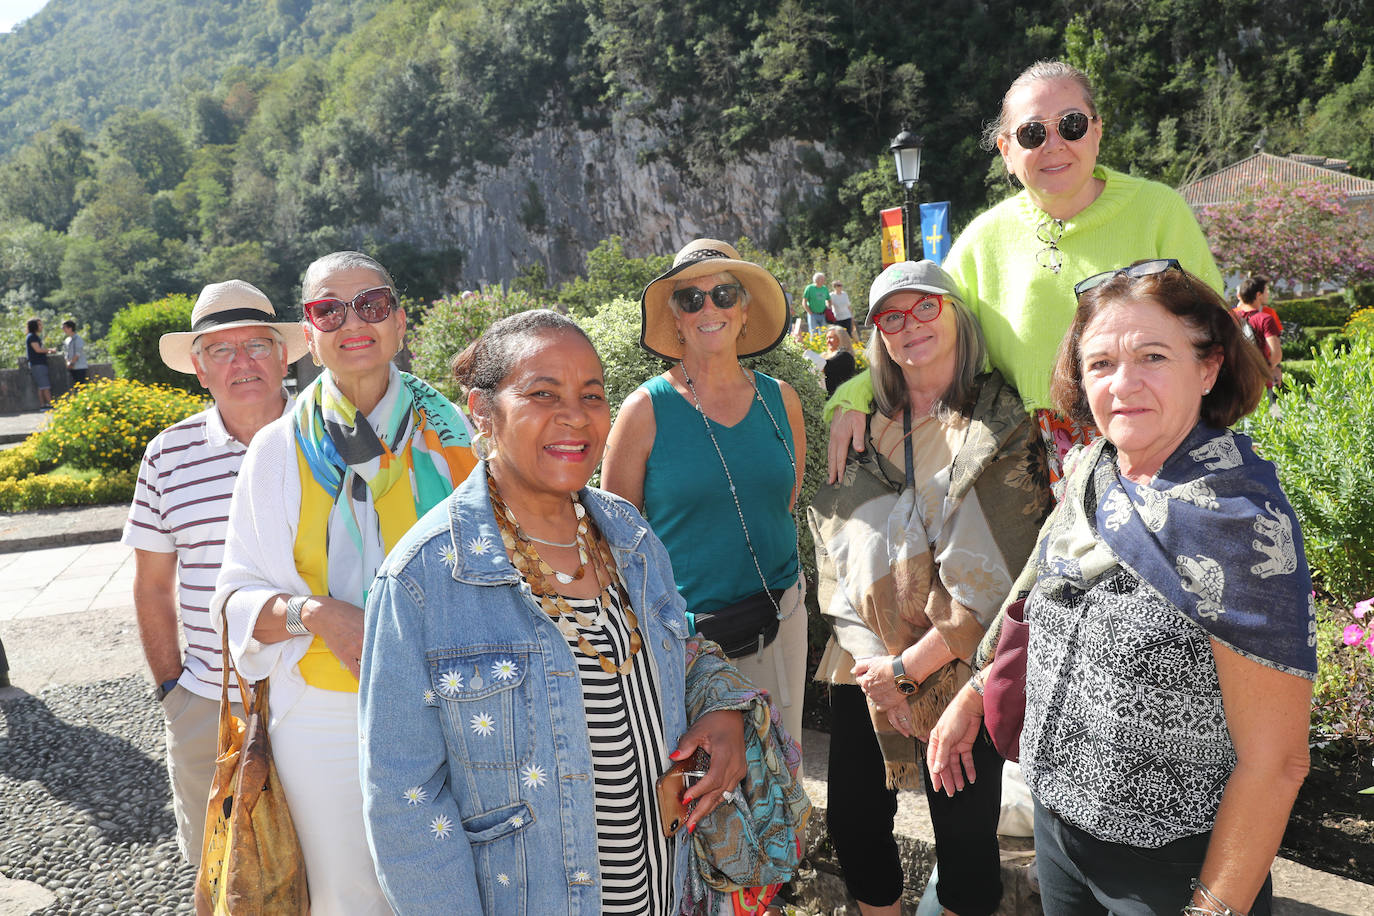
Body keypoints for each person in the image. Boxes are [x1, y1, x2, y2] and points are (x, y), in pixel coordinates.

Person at [360, 309, 802, 915]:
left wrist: (723, 712)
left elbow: (685, 649)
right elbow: (404, 801)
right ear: (481, 413)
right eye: (543, 393)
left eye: (591, 395)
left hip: (670, 892)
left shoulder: (629, 536)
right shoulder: (425, 581)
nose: (575, 415)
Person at [927, 260, 1316, 916]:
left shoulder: (1240, 526)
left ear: (1209, 366)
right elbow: (1038, 582)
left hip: (1168, 867)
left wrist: (1211, 907)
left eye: (1152, 356)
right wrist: (974, 691)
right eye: (1101, 363)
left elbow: (1277, 763)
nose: (1123, 385)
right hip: (1058, 828)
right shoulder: (1095, 467)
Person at [211, 251, 477, 914]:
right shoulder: (277, 450)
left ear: (400, 321)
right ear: (309, 331)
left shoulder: (453, 437)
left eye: (373, 304)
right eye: (329, 308)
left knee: (455, 881)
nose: (353, 321)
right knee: (348, 895)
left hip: (451, 696)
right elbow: (236, 601)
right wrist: (318, 615)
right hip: (326, 714)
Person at [826, 60, 1223, 484]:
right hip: (1027, 457)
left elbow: (1216, 330)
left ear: (1097, 129)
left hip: (1158, 436)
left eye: (1070, 125)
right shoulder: (984, 240)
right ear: (1006, 152)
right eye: (1033, 134)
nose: (1054, 144)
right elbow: (922, 333)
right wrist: (857, 394)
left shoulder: (1158, 212)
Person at [810, 261, 1050, 916]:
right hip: (863, 660)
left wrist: (907, 670)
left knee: (966, 839)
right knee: (855, 823)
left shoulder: (1000, 425)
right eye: (892, 315)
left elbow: (999, 564)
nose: (910, 326)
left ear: (956, 317)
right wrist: (872, 659)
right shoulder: (861, 423)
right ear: (877, 334)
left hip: (955, 665)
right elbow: (833, 541)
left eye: (926, 309)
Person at [122, 280, 308, 866]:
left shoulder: (331, 438)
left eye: (255, 345)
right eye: (220, 351)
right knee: (221, 874)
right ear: (199, 370)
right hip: (209, 700)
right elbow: (152, 586)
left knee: (329, 875)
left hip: (324, 693)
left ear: (283, 355)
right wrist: (172, 692)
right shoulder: (167, 455)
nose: (242, 363)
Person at [602, 238, 808, 742]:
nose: (708, 308)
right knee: (704, 798)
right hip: (690, 642)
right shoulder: (644, 410)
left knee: (781, 782)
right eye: (691, 299)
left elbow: (785, 502)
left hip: (780, 621)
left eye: (723, 294)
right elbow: (618, 542)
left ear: (743, 309)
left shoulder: (781, 400)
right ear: (675, 317)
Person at [1234, 275, 1283, 393]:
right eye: (1266, 291)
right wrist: (1266, 369)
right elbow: (1276, 354)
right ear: (1258, 295)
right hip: (1259, 381)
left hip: (1235, 379)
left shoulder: (1230, 316)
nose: (1268, 294)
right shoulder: (1265, 318)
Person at [24, 317, 56, 410]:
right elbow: (37, 349)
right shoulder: (32, 337)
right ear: (35, 326)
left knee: (42, 386)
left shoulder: (33, 336)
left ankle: (44, 405)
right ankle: (49, 404)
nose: (41, 327)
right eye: (39, 325)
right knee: (45, 385)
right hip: (38, 364)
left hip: (38, 364)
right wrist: (50, 350)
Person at [821, 325, 857, 397]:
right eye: (827, 338)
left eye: (831, 338)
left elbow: (826, 366)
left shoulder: (845, 356)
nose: (828, 341)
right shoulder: (824, 355)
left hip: (839, 399)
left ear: (841, 339)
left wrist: (805, 350)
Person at [61, 319, 89, 386]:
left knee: (81, 386)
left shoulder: (78, 339)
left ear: (70, 328)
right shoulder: (67, 340)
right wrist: (67, 362)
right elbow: (66, 353)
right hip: (71, 367)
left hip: (79, 367)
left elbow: (77, 353)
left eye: (64, 328)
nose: (63, 330)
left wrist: (71, 363)